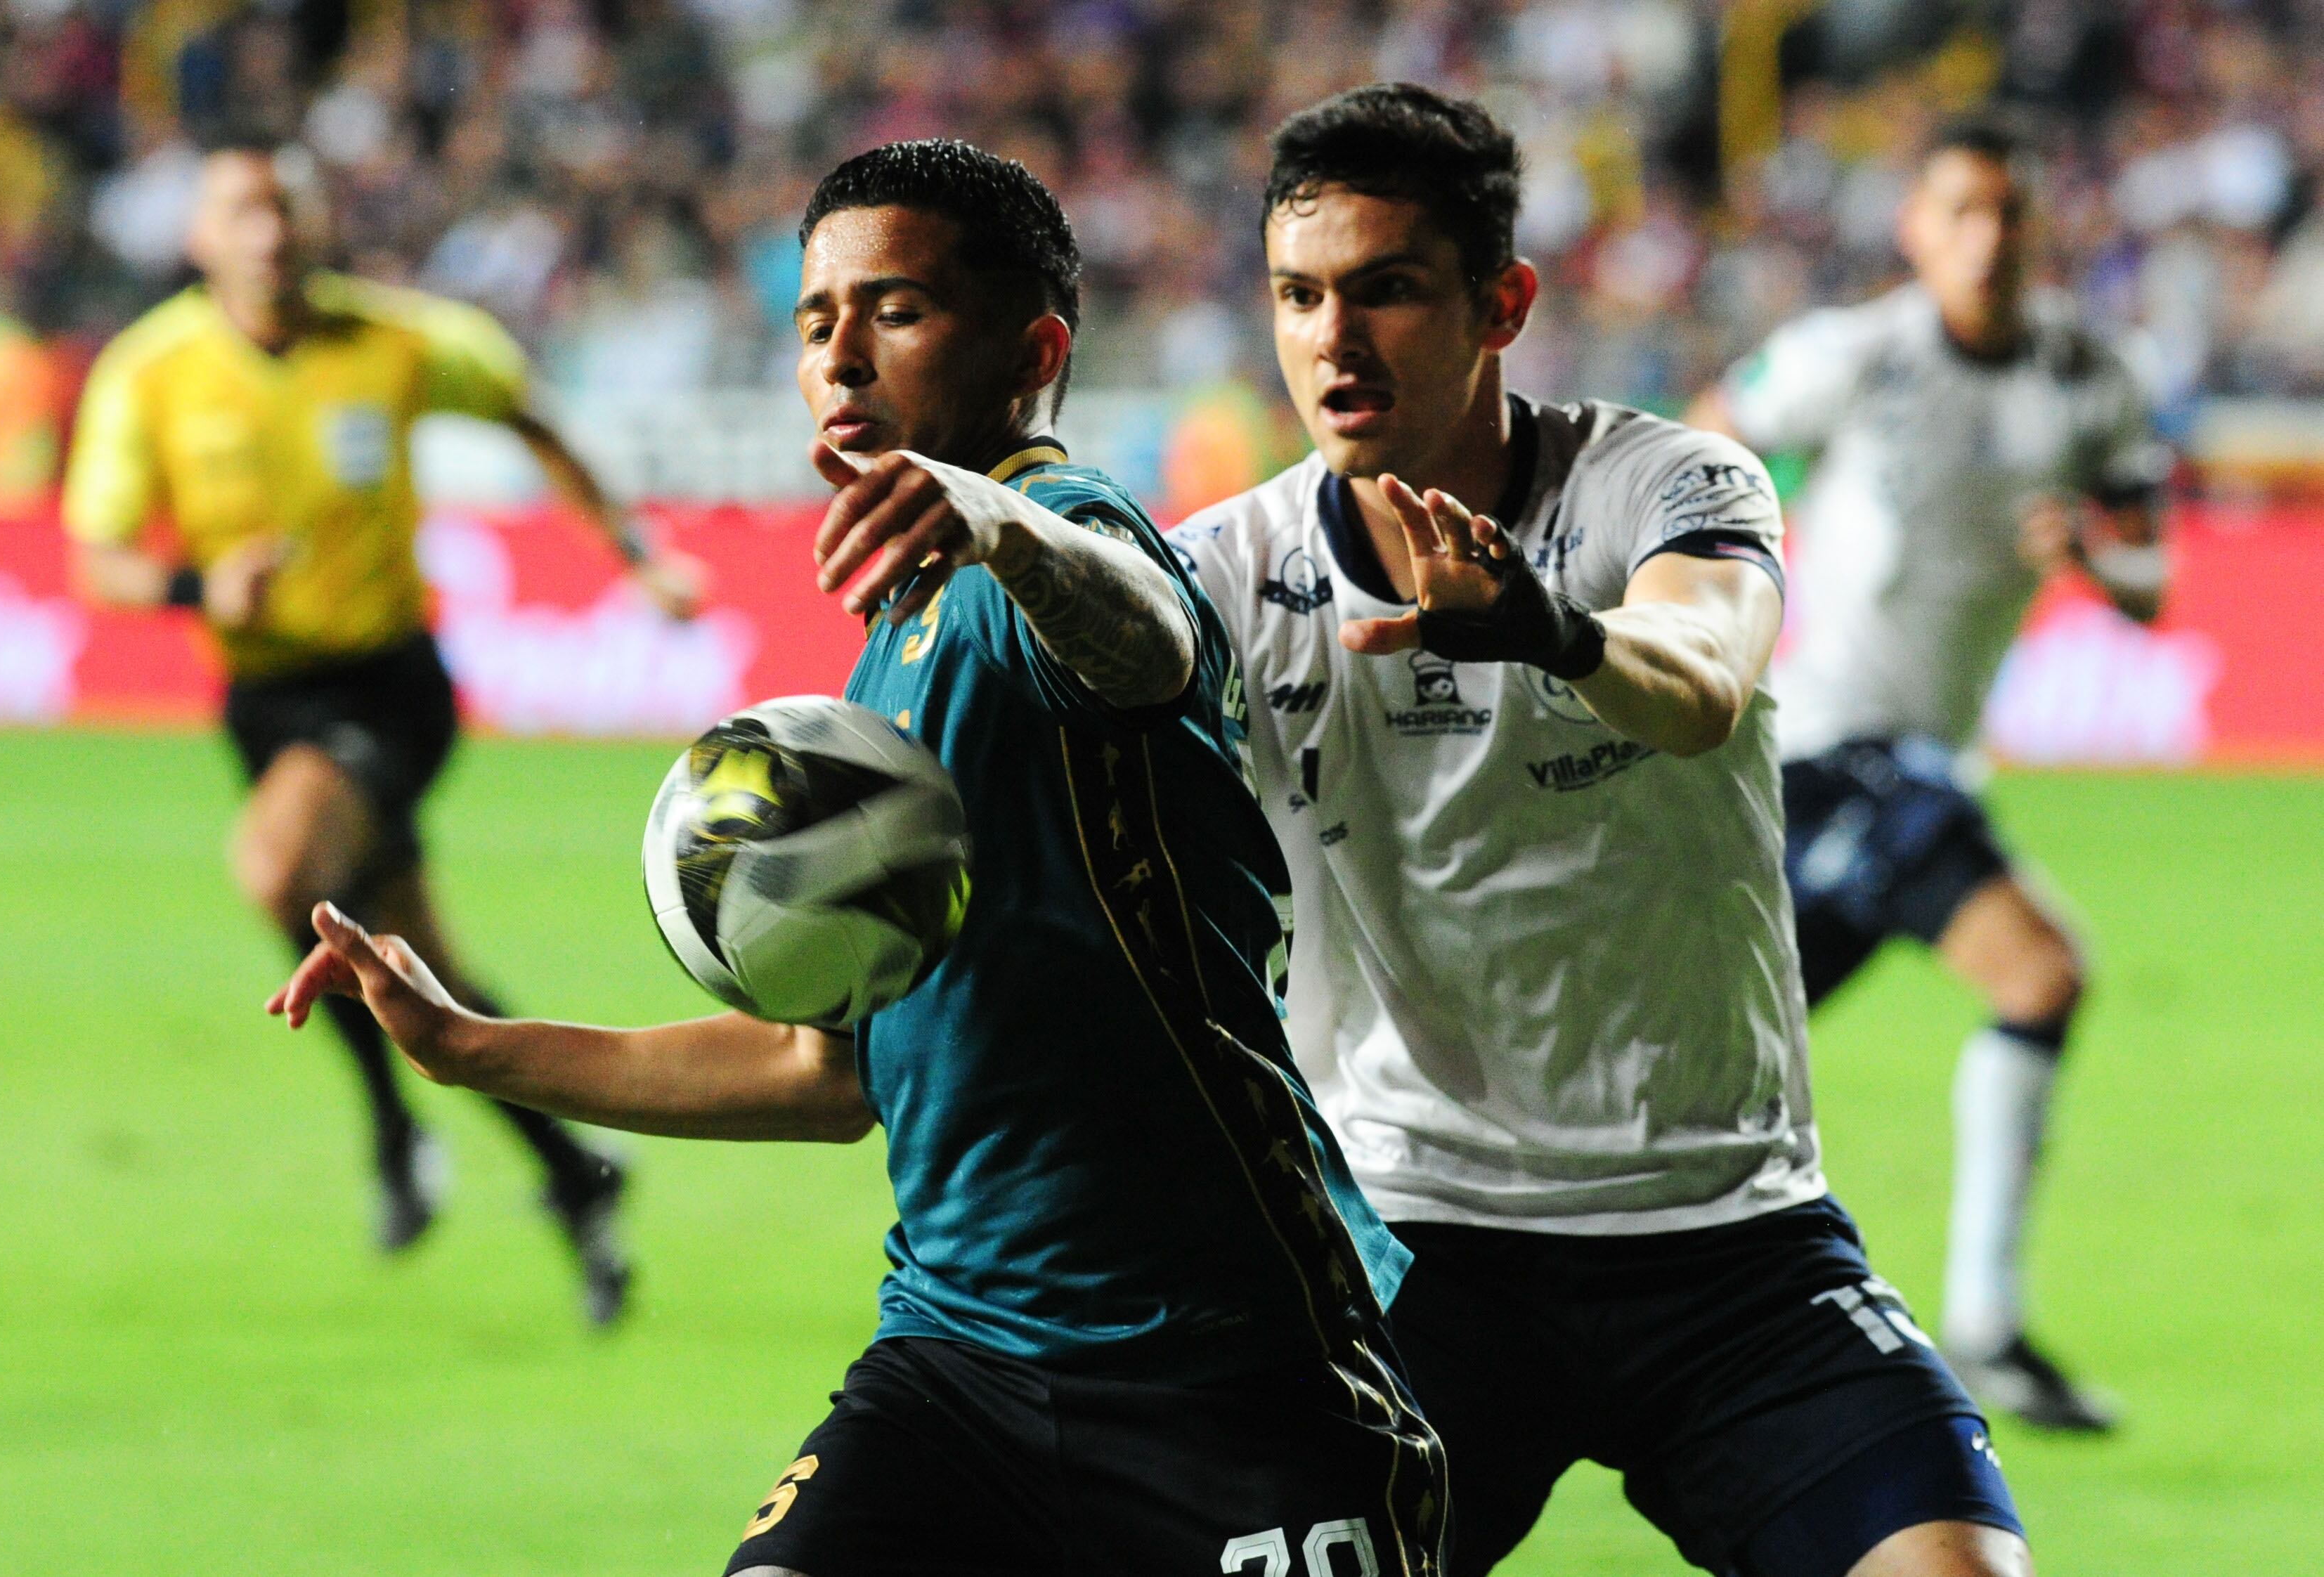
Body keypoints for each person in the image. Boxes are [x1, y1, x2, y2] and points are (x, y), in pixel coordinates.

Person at [271, 139, 1445, 1577]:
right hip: (957, 1363)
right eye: (816, 321)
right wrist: (476, 1049)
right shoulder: (886, 653)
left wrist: (998, 518)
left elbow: (1152, 639)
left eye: (894, 312)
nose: (839, 357)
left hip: (1230, 1364)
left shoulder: (1062, 546)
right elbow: (824, 1073)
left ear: (1034, 351)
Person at [1171, 85, 2027, 1577]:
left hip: (1732, 1238)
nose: (1334, 336)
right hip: (1416, 1245)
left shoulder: (1671, 485)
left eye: (1387, 289)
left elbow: (1698, 682)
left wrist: (1550, 631)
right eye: (1300, 296)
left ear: (1504, 302)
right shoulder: (1224, 571)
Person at [65, 135, 703, 1323]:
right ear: (201, 238)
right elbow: (96, 557)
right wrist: (201, 592)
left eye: (286, 209)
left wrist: (636, 556)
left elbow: (533, 418)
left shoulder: (402, 342)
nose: (269, 232)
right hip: (262, 700)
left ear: (318, 226)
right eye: (243, 211)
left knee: (273, 867)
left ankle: (395, 1132)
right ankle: (578, 1176)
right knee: (425, 973)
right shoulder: (149, 373)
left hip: (388, 690)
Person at [1687, 114, 2171, 1432]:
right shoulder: (1856, 357)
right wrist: (1709, 579)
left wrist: (2084, 551)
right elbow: (1700, 441)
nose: (1988, 239)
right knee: (2038, 970)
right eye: (1961, 212)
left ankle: (1593, 1284)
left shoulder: (2088, 378)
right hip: (1823, 742)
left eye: (2010, 214)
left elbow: (2148, 581)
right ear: (1916, 229)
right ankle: (1984, 1329)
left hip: (1921, 760)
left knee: (1716, 1058)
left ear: (2037, 228)